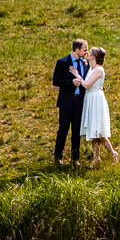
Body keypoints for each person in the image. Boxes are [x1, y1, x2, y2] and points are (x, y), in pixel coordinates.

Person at [70, 46, 119, 167]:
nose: (87, 53)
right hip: (90, 99)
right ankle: (96, 158)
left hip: (96, 100)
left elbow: (86, 85)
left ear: (95, 56)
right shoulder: (91, 67)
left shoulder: (99, 70)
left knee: (100, 132)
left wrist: (77, 75)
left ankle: (113, 154)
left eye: (90, 52)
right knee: (93, 131)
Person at [52, 39, 89, 167]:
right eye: (84, 50)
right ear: (77, 49)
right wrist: (70, 82)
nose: (86, 52)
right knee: (63, 130)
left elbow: (88, 79)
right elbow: (55, 81)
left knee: (76, 131)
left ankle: (75, 158)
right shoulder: (62, 62)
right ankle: (58, 157)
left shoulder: (85, 63)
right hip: (66, 103)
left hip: (80, 102)